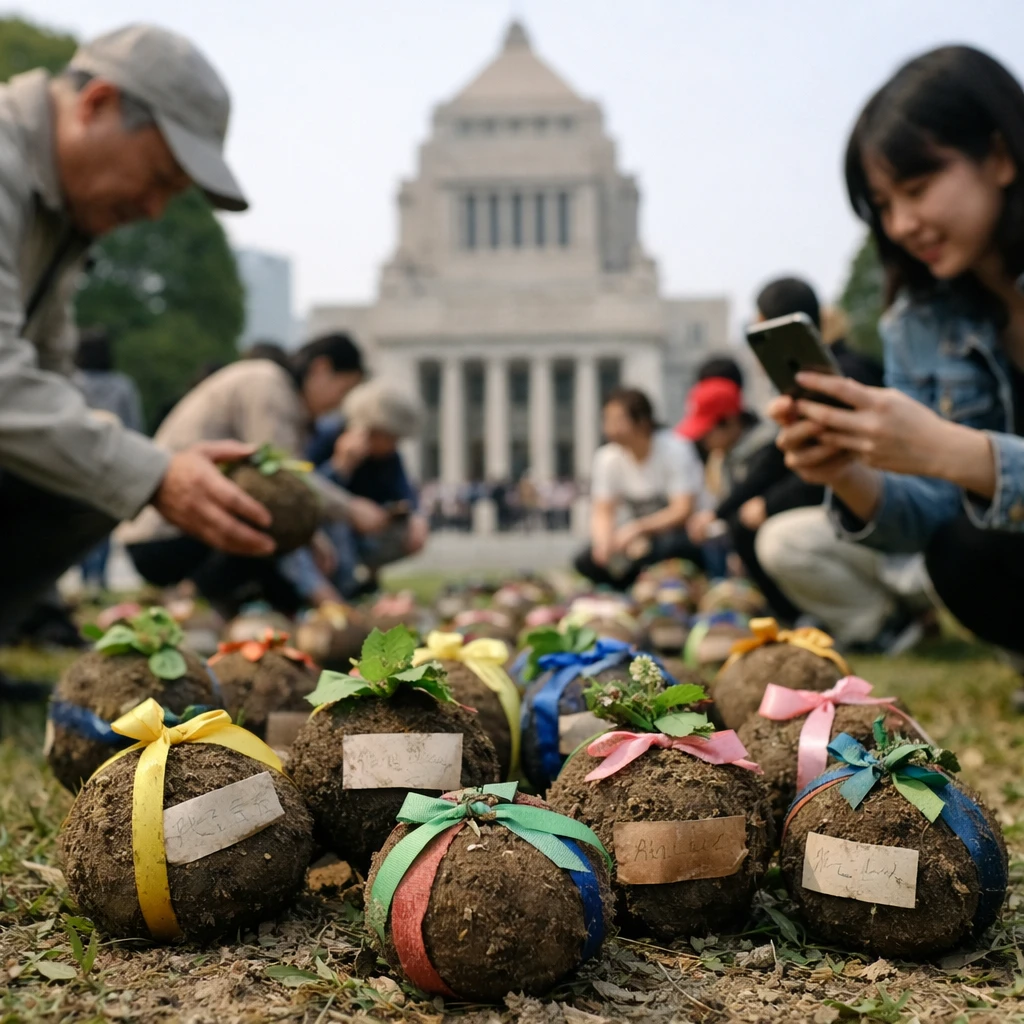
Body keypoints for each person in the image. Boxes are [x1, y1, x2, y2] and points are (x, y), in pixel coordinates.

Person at [0, 23, 275, 650]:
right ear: (97, 104)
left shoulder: (59, 217)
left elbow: (52, 388)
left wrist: (140, 465)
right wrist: (153, 473)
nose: (154, 209)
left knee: (88, 464)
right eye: (157, 178)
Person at [770, 45, 1024, 656]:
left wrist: (954, 450)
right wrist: (850, 470)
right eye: (884, 205)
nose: (902, 224)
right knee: (964, 549)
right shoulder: (916, 322)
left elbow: (955, 465)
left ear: (998, 156)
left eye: (917, 187)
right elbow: (930, 519)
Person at [121, 333, 385, 614]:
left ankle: (224, 605)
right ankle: (191, 598)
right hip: (163, 535)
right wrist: (350, 508)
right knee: (274, 524)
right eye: (343, 390)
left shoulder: (278, 393)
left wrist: (311, 536)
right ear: (321, 368)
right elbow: (284, 479)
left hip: (184, 527)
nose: (337, 405)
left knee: (288, 553)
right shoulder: (267, 384)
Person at [280, 380, 428, 602]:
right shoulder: (326, 436)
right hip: (320, 532)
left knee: (402, 531)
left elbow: (404, 491)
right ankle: (335, 593)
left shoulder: (388, 458)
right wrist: (341, 467)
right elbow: (304, 490)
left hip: (361, 535)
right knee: (338, 525)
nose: (393, 445)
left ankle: (364, 583)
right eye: (390, 437)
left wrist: (416, 516)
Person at [575, 387, 706, 588]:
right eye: (607, 420)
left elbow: (682, 510)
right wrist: (604, 543)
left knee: (670, 548)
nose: (610, 428)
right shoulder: (607, 457)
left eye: (618, 420)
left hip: (676, 535)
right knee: (586, 560)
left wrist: (638, 529)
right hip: (634, 541)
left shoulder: (675, 449)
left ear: (643, 422)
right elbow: (603, 510)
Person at [73, 327, 144, 590]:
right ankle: (98, 579)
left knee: (77, 520)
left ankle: (83, 578)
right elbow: (134, 424)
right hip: (111, 461)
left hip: (76, 460)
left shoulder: (73, 381)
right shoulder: (121, 385)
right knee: (103, 523)